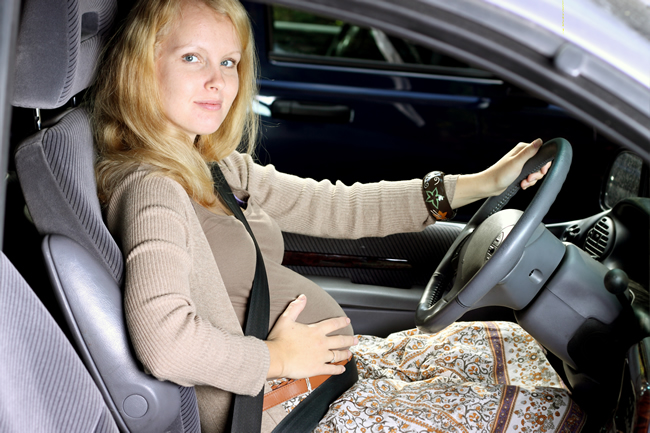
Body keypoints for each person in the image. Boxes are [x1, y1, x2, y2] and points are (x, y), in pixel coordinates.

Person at [92, 0, 584, 432]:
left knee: (511, 346)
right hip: (286, 410)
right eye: (192, 57)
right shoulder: (152, 187)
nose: (218, 81)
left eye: (229, 61)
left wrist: (479, 185)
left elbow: (337, 206)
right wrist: (277, 357)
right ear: (141, 66)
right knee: (553, 412)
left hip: (321, 380)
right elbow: (165, 342)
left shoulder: (210, 164)